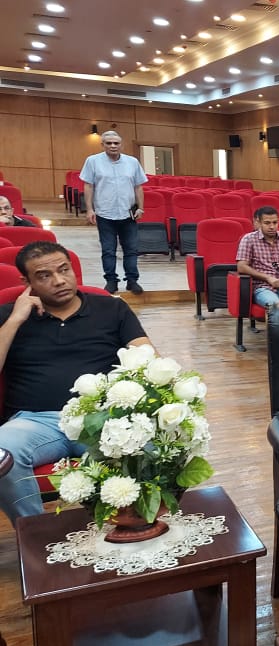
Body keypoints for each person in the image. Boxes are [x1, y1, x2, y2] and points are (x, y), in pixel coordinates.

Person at [0, 241, 151, 523]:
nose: (59, 281)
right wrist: (15, 320)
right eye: (44, 275)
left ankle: (132, 525)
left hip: (102, 417)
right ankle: (32, 530)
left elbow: (147, 359)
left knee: (149, 445)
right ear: (27, 282)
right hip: (34, 422)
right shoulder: (8, 315)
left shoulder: (112, 308)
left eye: (64, 270)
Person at [80, 130, 147, 295]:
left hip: (128, 214)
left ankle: (132, 281)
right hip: (105, 213)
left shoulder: (132, 162)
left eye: (116, 143)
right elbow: (88, 186)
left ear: (121, 145)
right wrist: (89, 209)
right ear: (102, 145)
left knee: (131, 249)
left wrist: (140, 207)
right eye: (109, 143)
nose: (113, 146)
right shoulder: (92, 161)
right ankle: (111, 281)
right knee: (108, 250)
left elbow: (138, 186)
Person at [236, 206, 279, 308]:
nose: (272, 227)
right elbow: (241, 267)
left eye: (275, 223)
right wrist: (268, 278)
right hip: (263, 287)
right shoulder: (249, 239)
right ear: (259, 223)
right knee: (277, 306)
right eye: (267, 223)